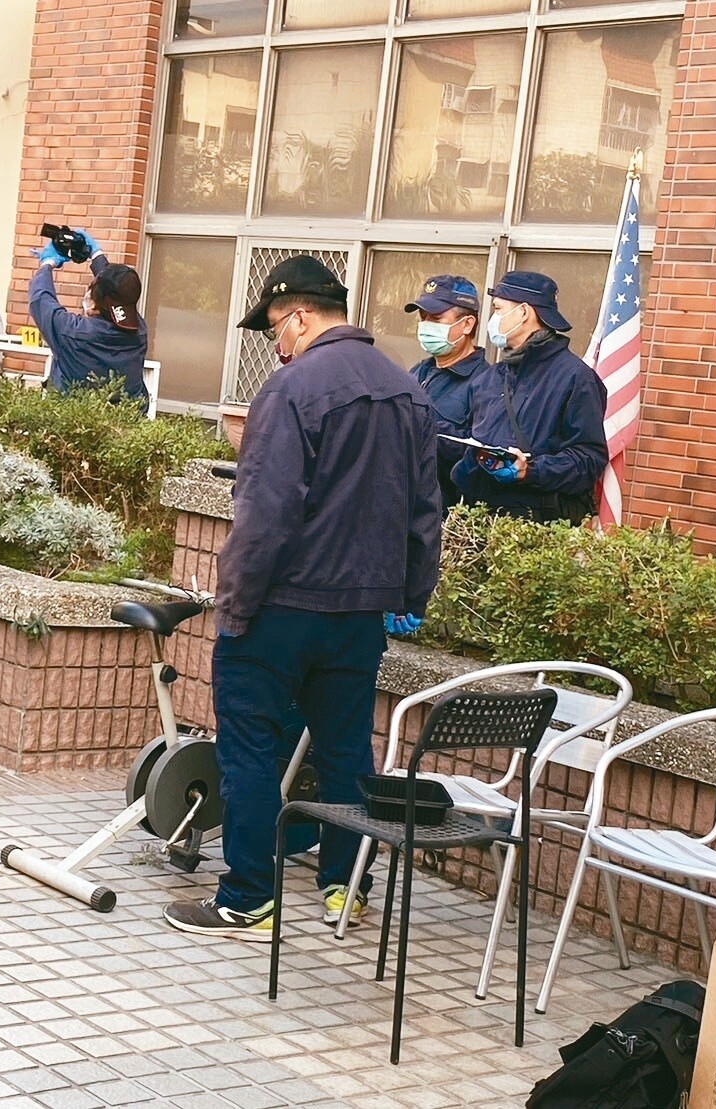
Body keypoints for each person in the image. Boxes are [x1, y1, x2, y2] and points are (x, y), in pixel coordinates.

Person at [163, 256, 443, 942]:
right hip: (359, 614)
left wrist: (235, 599)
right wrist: (410, 592)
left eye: (271, 331)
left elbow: (264, 510)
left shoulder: (292, 389)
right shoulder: (406, 391)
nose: (274, 344)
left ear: (297, 315)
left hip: (282, 606)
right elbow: (425, 509)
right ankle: (345, 887)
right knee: (346, 750)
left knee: (250, 750)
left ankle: (248, 898)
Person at [451, 271, 608, 523]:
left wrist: (530, 471)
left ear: (524, 312)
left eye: (498, 309)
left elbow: (589, 460)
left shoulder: (576, 378)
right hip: (477, 524)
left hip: (536, 533)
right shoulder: (490, 378)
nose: (493, 319)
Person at [28, 230, 149, 402]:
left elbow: (40, 299)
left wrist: (47, 263)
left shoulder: (72, 333)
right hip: (124, 424)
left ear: (94, 301)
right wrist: (96, 254)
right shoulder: (139, 331)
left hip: (75, 423)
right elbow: (119, 292)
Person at [405, 273, 489, 511]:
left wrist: (422, 424)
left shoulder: (486, 383)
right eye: (423, 317)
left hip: (448, 519)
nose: (425, 325)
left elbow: (478, 456)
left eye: (436, 318)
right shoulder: (417, 373)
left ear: (467, 324)